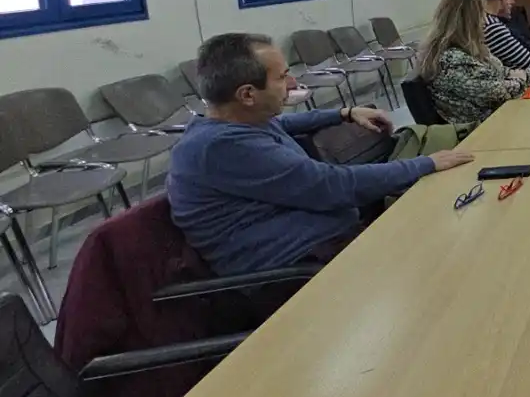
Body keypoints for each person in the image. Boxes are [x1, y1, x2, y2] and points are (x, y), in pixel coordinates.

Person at [167, 33, 475, 276]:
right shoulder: (222, 148)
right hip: (296, 271)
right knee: (444, 258)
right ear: (247, 94)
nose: (292, 84)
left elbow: (284, 123)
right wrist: (426, 163)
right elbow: (333, 185)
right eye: (281, 78)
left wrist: (344, 112)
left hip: (326, 245)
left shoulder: (237, 123)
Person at [420, 0, 530, 125]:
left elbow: (502, 71)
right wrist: (519, 79)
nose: (484, 22)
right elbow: (497, 93)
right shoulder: (452, 60)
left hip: (499, 117)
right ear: (469, 23)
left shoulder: (472, 50)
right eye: (481, 17)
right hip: (481, 131)